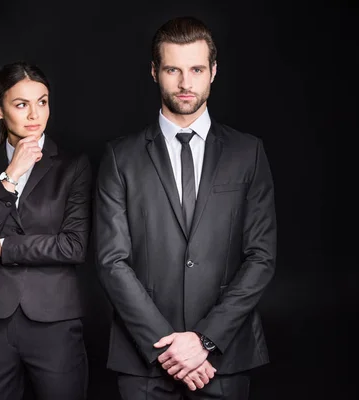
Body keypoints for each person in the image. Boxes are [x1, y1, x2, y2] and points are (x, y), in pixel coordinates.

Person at [94, 16, 277, 399]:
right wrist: (168, 345)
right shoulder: (118, 157)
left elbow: (261, 257)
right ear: (154, 72)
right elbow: (112, 261)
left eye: (196, 69)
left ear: (213, 71)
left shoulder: (249, 153)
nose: (185, 83)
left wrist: (206, 340)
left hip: (225, 358)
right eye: (172, 69)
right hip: (144, 358)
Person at [0, 60, 91, 400]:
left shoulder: (73, 167)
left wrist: (3, 247)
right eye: (21, 104)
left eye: (42, 101)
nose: (35, 114)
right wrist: (10, 176)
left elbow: (73, 246)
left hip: (55, 319)